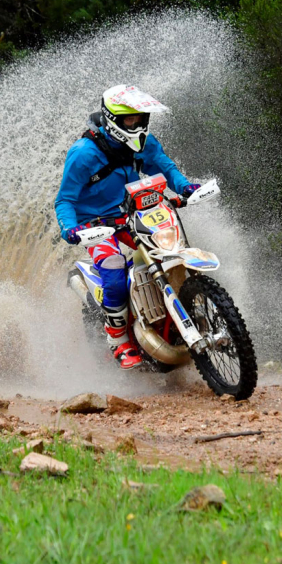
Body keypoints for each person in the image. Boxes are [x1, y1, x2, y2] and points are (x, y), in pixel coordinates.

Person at [55, 85, 201, 369]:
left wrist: (184, 186)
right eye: (130, 120)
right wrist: (70, 229)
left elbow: (165, 167)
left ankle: (180, 316)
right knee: (113, 268)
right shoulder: (83, 153)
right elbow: (64, 200)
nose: (137, 125)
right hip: (95, 224)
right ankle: (118, 339)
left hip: (132, 213)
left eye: (141, 119)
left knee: (170, 250)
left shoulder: (144, 143)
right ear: (113, 119)